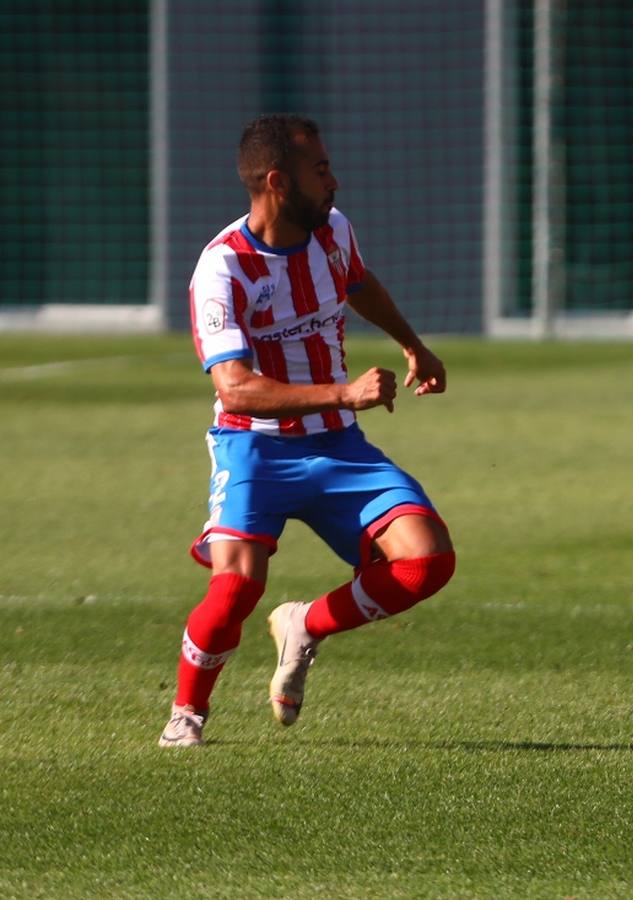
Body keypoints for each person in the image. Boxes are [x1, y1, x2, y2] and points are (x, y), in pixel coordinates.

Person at [158, 114, 457, 747]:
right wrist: (344, 391)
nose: (334, 181)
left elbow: (358, 282)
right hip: (253, 447)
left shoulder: (333, 233)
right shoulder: (222, 269)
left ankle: (305, 624)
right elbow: (234, 387)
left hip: (337, 445)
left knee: (426, 562)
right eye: (320, 171)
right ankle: (186, 716)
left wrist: (413, 346)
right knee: (236, 587)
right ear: (278, 181)